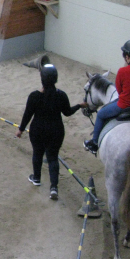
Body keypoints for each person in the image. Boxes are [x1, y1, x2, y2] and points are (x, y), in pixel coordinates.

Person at [16, 64, 87, 200]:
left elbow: (27, 115)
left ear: (42, 79)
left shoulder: (34, 96)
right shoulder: (61, 95)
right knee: (53, 158)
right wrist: (79, 105)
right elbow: (67, 112)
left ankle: (36, 178)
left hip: (37, 131)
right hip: (56, 131)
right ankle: (54, 188)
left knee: (37, 153)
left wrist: (20, 129)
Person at [84, 39, 130, 154]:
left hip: (124, 106)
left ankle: (94, 143)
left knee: (101, 114)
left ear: (128, 57)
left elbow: (119, 90)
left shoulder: (122, 71)